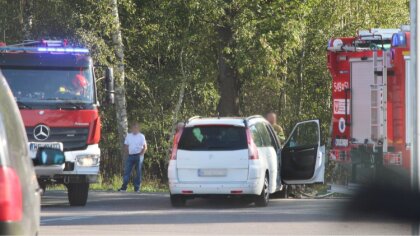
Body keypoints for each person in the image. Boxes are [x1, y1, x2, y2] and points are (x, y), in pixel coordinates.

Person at [118, 123, 147, 192]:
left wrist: (141, 154)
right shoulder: (128, 136)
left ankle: (137, 188)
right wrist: (128, 153)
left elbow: (145, 147)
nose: (135, 129)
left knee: (138, 172)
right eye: (134, 128)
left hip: (139, 156)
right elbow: (126, 145)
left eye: (136, 128)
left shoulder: (141, 136)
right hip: (130, 156)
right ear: (131, 129)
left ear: (138, 129)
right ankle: (124, 188)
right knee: (127, 172)